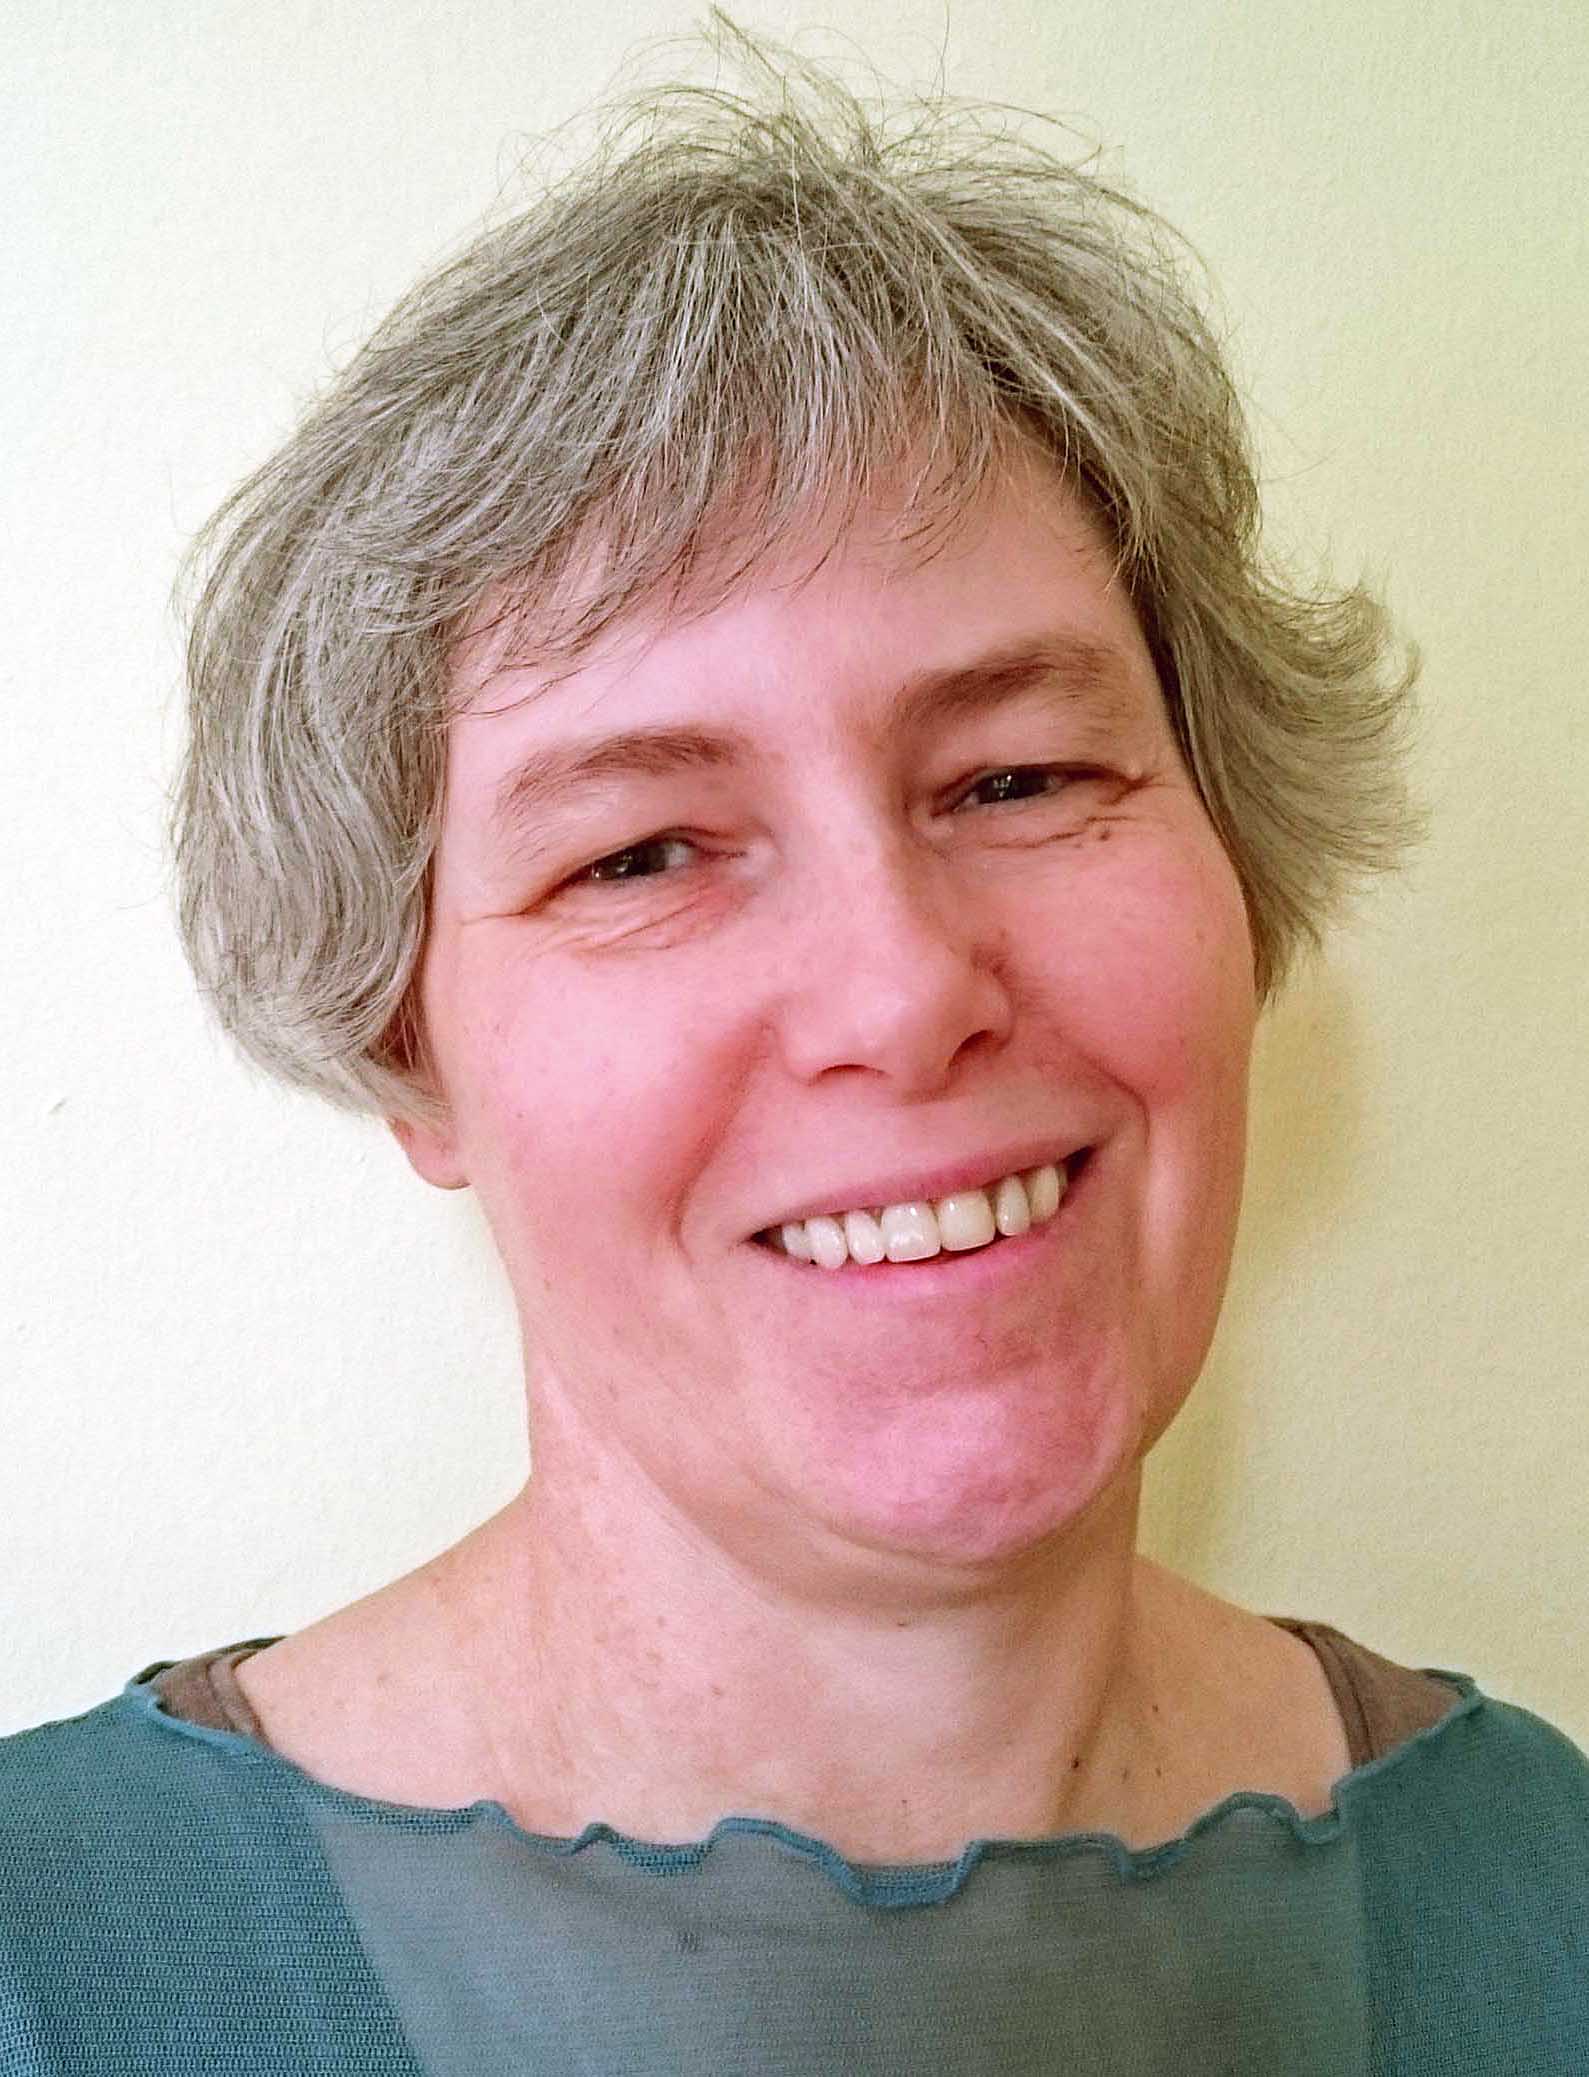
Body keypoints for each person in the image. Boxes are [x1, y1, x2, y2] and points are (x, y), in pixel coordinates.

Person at [3, 15, 1584, 2072]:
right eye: (643, 850)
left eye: (1019, 777)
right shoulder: (57, 1974)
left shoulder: (1541, 1895)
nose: (902, 991)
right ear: (408, 1039)